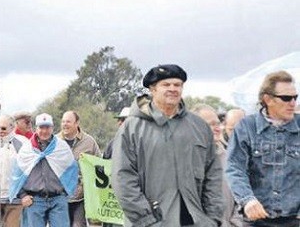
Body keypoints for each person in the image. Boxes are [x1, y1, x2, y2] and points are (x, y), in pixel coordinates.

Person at [111, 64, 223, 227]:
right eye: (166, 85)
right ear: (153, 89)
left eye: (177, 85)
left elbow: (213, 174)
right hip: (151, 222)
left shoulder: (199, 127)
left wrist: (212, 218)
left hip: (196, 221)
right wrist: (146, 219)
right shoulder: (131, 128)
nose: (172, 89)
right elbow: (123, 177)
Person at [226, 70, 300, 226]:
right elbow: (235, 168)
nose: (292, 103)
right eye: (286, 98)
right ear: (268, 99)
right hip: (254, 218)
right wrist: (247, 200)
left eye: (295, 97)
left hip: (294, 219)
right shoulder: (246, 127)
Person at [9, 113, 79, 227]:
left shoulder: (61, 147)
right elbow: (17, 174)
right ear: (36, 128)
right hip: (34, 201)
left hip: (58, 199)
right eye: (41, 127)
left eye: (47, 127)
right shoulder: (27, 149)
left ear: (52, 128)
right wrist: (22, 195)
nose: (44, 131)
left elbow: (72, 170)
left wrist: (66, 192)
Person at [192, 104, 242, 227]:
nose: (218, 128)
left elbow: (241, 199)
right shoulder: (183, 162)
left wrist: (234, 224)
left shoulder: (231, 160)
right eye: (211, 124)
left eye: (218, 123)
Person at [57, 111, 102, 227]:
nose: (64, 124)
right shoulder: (54, 142)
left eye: (68, 121)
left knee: (78, 225)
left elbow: (99, 166)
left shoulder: (89, 142)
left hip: (81, 196)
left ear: (77, 123)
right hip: (59, 196)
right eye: (63, 121)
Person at [0, 114, 28, 227]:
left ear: (12, 127)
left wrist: (26, 193)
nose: (0, 131)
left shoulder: (22, 143)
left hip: (16, 198)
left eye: (3, 128)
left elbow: (29, 169)